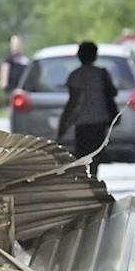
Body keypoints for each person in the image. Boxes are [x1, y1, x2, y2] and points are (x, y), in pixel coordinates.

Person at [57, 41, 119, 179]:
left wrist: (64, 123)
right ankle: (94, 177)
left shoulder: (75, 76)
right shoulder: (101, 74)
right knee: (95, 152)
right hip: (99, 119)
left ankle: (85, 180)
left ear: (79, 56)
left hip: (82, 121)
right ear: (95, 56)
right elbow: (113, 92)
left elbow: (73, 102)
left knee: (82, 152)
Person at [0, 36, 29, 102]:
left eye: (18, 44)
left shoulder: (25, 61)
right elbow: (3, 82)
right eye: (14, 44)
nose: (16, 47)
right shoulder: (7, 62)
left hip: (24, 92)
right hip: (12, 92)